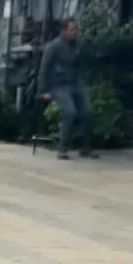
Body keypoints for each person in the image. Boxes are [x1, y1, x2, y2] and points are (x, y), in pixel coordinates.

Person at [38, 17, 96, 159]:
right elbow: (44, 69)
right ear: (63, 31)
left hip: (75, 83)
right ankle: (62, 148)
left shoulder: (75, 46)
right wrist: (43, 91)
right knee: (69, 111)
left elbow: (81, 64)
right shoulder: (53, 46)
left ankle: (85, 147)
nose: (74, 32)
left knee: (88, 111)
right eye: (71, 29)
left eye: (75, 29)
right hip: (59, 85)